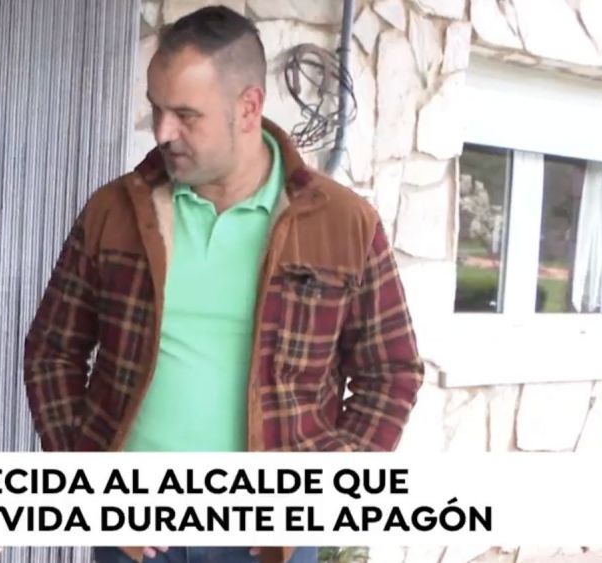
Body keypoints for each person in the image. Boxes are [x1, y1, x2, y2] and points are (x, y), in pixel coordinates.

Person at [23, 6, 424, 563]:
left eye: (186, 115)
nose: (163, 132)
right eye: (156, 108)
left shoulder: (343, 223)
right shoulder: (115, 210)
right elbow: (51, 352)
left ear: (248, 107)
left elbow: (392, 372)